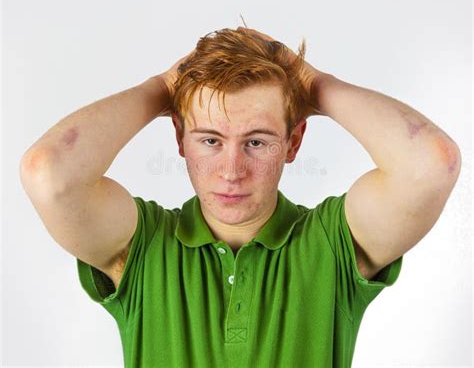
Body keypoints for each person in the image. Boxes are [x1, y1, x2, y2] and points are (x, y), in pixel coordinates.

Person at [19, 26, 461, 367]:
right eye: (210, 140)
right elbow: (48, 172)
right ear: (180, 138)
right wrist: (161, 87)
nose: (231, 170)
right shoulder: (143, 246)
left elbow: (430, 164)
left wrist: (311, 83)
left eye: (257, 142)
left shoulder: (333, 243)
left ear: (293, 143)